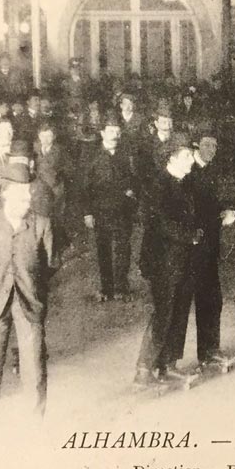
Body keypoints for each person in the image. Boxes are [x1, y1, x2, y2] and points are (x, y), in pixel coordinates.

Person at [0, 162, 55, 420]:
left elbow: (49, 263)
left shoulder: (41, 224)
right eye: (20, 194)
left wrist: (29, 281)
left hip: (29, 301)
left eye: (29, 193)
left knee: (35, 368)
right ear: (5, 193)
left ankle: (34, 425)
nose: (27, 200)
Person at [134, 133, 205, 387]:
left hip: (182, 260)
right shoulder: (157, 185)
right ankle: (143, 370)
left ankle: (167, 365)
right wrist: (190, 236)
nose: (191, 161)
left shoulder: (184, 183)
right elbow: (160, 223)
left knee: (179, 311)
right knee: (163, 313)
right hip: (162, 263)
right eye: (187, 156)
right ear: (172, 158)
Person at [188, 130, 235, 369]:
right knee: (205, 299)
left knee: (212, 299)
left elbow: (211, 204)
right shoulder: (190, 173)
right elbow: (194, 214)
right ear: (196, 145)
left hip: (208, 246)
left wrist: (226, 211)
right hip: (194, 247)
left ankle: (209, 350)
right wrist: (221, 219)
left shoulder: (210, 171)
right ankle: (207, 352)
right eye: (207, 145)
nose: (212, 150)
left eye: (216, 146)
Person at [82, 112, 138, 302]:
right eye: (110, 131)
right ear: (102, 133)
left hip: (123, 211)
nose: (114, 134)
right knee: (103, 249)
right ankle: (107, 288)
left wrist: (131, 191)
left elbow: (134, 179)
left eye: (117, 131)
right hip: (101, 211)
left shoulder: (125, 154)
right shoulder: (91, 156)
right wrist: (87, 212)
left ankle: (121, 287)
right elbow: (84, 187)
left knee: (123, 249)